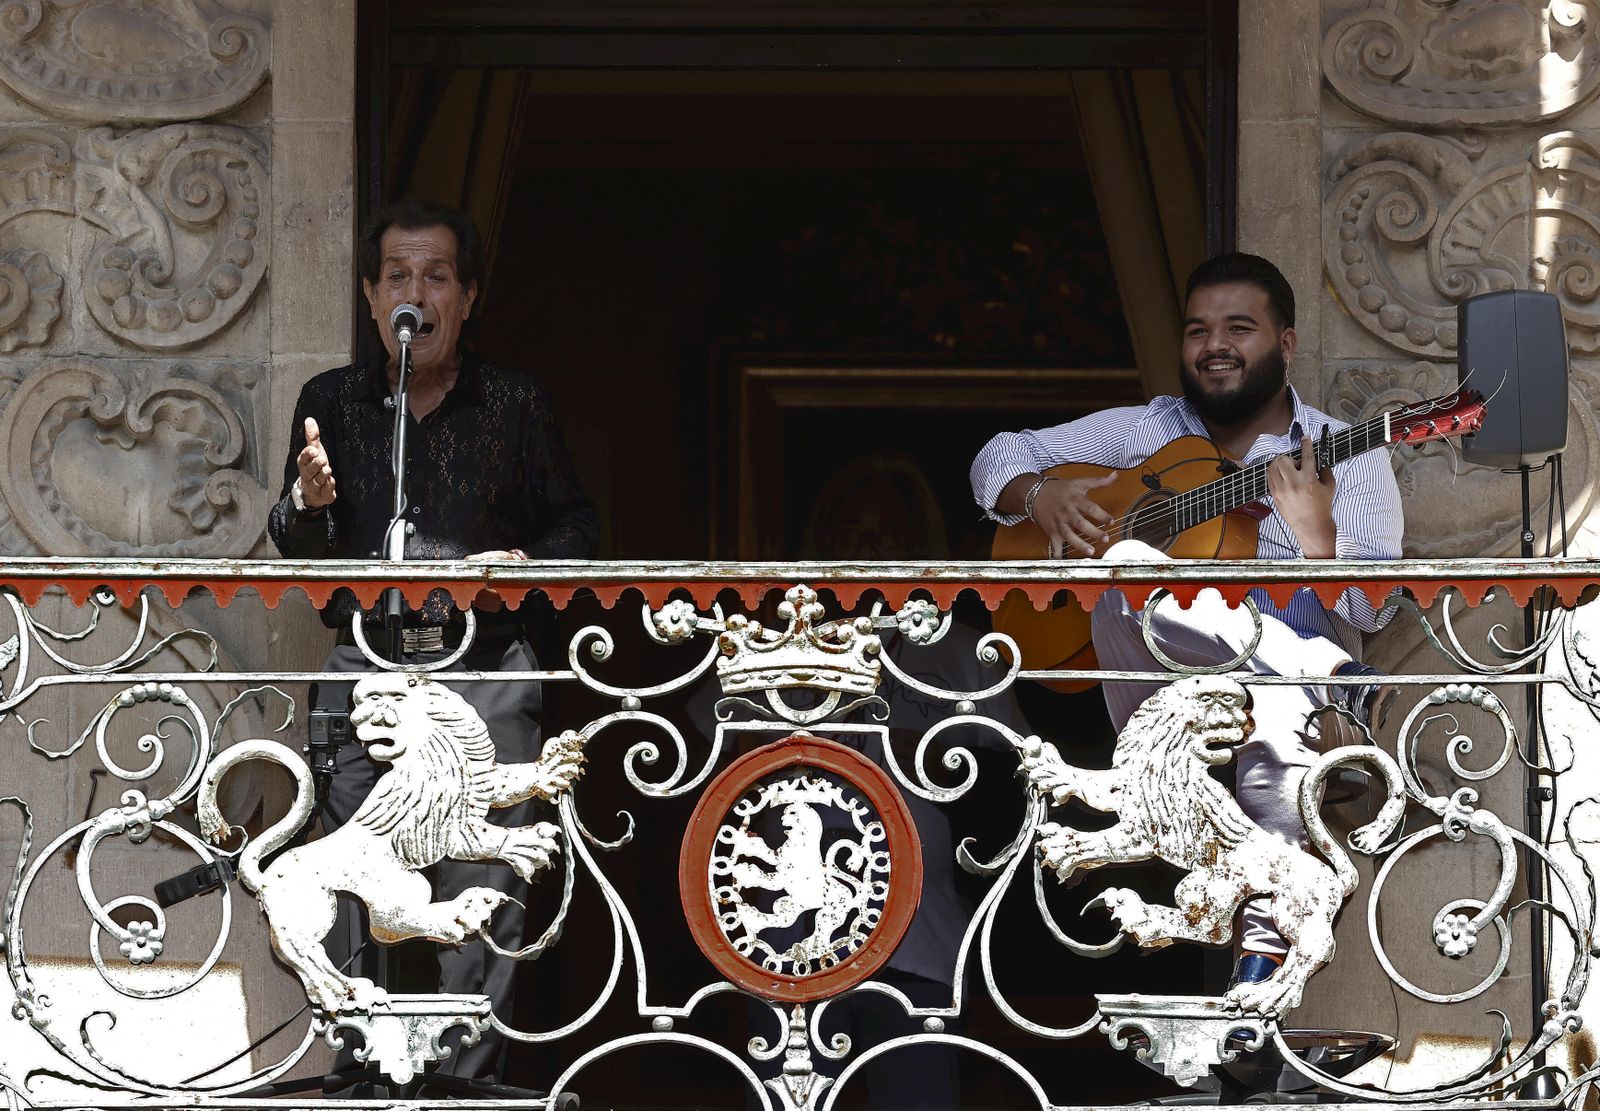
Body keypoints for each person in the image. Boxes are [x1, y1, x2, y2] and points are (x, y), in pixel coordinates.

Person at [969, 252, 1402, 987]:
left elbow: (1369, 604)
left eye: (1240, 326)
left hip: (1275, 702)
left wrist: (1315, 537)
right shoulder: (1146, 432)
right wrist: (1039, 494)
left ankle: (1257, 979)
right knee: (1134, 560)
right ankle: (1321, 670)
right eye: (1198, 329)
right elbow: (997, 453)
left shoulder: (1341, 452)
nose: (1215, 344)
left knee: (1272, 714)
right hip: (1157, 691)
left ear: (1286, 344)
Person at [267, 197, 598, 1085]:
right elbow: (299, 551)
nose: (418, 291)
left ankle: (469, 1087)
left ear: (468, 295)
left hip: (484, 672)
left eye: (438, 276)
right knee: (352, 885)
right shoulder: (329, 401)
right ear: (374, 298)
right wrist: (310, 504)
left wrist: (523, 561)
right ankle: (361, 1082)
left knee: (477, 882)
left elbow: (579, 528)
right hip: (368, 670)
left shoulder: (516, 402)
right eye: (400, 276)